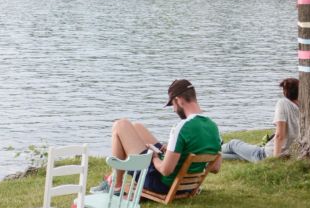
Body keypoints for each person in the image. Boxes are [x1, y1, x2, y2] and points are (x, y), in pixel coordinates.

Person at [93, 79, 222, 195]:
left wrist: (154, 158)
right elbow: (215, 168)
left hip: (162, 184)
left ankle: (115, 186)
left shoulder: (182, 128)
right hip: (187, 184)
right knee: (137, 127)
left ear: (179, 100)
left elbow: (166, 170)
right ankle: (113, 177)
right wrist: (173, 155)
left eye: (173, 105)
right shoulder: (214, 128)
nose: (173, 110)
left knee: (120, 125)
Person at [221, 78, 300, 163]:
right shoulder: (302, 107)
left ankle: (212, 148)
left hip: (266, 154)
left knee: (233, 144)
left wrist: (275, 159)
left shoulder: (283, 103)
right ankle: (211, 155)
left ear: (285, 92)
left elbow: (280, 135)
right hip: (285, 154)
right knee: (236, 156)